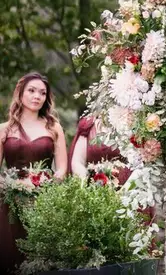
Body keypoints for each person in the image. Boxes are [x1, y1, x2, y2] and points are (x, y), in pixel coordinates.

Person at [0, 72, 68, 273]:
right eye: (31, 91)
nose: (37, 96)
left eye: (42, 93)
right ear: (20, 93)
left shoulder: (54, 127)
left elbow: (62, 168)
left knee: (43, 258)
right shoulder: (4, 129)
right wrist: (11, 186)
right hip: (10, 202)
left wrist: (45, 185)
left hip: (44, 200)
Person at [68, 117, 131, 185]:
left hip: (126, 186)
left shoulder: (131, 123)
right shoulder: (88, 126)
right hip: (94, 186)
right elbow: (77, 162)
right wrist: (84, 182)